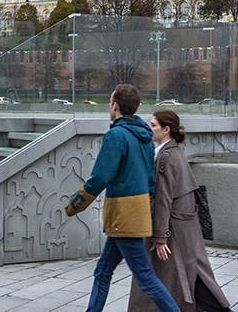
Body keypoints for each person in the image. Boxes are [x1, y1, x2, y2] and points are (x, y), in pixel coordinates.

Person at [65, 84, 180, 312]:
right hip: (135, 214)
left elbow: (100, 177)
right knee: (103, 271)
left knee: (145, 277)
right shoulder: (145, 137)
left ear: (115, 106)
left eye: (111, 103)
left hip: (123, 218)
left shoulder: (116, 135)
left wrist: (74, 205)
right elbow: (150, 180)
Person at [127, 110, 231, 312]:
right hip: (184, 224)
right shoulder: (174, 151)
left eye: (153, 125)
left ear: (166, 129)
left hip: (174, 228)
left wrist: (160, 237)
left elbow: (163, 199)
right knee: (190, 273)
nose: (149, 129)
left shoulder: (165, 157)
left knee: (185, 275)